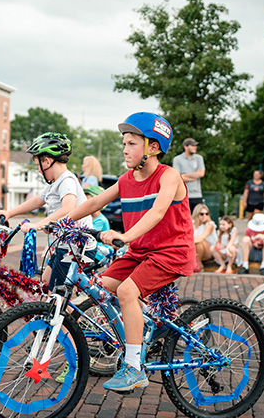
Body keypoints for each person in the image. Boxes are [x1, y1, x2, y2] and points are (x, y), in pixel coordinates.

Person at [69, 112, 194, 393]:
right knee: (99, 288)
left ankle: (134, 367)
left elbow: (158, 210)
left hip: (170, 252)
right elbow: (95, 202)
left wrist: (124, 236)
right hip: (140, 251)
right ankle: (139, 332)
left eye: (132, 143)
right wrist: (59, 222)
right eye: (124, 143)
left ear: (153, 147)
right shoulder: (127, 179)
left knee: (127, 291)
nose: (125, 149)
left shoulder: (169, 176)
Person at [0, 132, 93, 290]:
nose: (40, 171)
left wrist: (38, 225)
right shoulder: (55, 183)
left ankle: (62, 315)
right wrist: (9, 213)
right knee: (47, 283)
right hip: (65, 245)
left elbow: (69, 207)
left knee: (57, 294)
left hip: (76, 247)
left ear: (47, 161)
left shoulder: (67, 180)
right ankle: (57, 313)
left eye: (39, 165)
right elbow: (37, 201)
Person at [172, 137, 205, 211]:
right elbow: (178, 178)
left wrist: (184, 175)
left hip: (197, 195)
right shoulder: (177, 159)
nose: (195, 147)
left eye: (195, 145)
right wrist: (195, 175)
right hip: (183, 195)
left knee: (198, 219)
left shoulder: (199, 158)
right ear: (185, 147)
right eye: (193, 145)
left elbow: (201, 174)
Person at [191, 204, 216, 271]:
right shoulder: (191, 223)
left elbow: (201, 237)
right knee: (195, 242)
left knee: (199, 242)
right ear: (197, 214)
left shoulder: (210, 225)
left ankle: (198, 263)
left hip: (210, 250)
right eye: (202, 214)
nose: (204, 216)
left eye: (206, 214)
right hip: (195, 247)